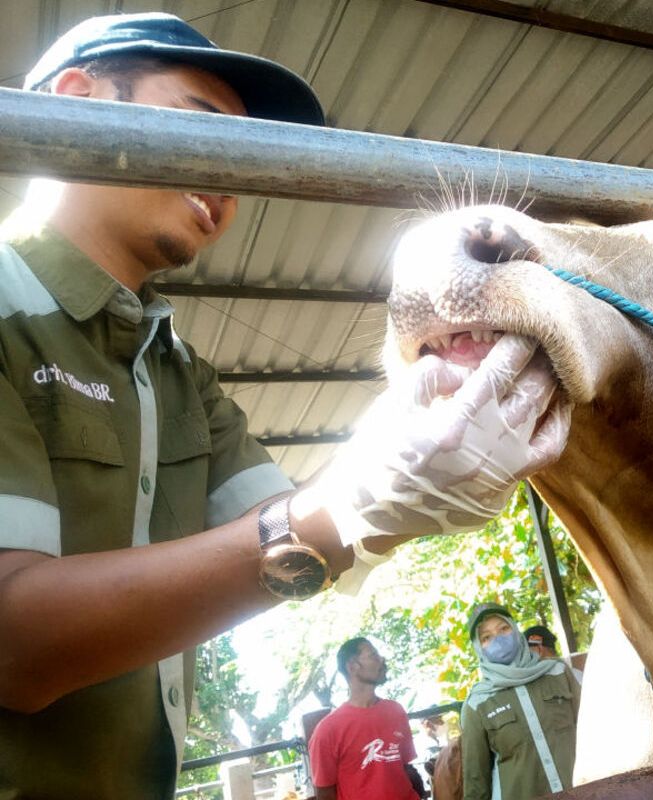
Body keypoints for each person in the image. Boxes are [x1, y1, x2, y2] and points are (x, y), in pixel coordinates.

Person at [0, 13, 569, 799]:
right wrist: (359, 500)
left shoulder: (177, 371)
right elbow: (11, 646)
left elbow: (301, 533)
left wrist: (421, 449)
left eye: (242, 160)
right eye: (206, 130)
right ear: (74, 98)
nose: (227, 184)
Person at [460, 604, 581, 800]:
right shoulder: (478, 703)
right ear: (478, 646)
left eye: (503, 628)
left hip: (583, 794)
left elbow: (593, 732)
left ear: (515, 629)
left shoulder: (557, 672)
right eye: (486, 637)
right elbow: (476, 780)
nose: (498, 639)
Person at [309, 638, 424, 800]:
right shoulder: (327, 730)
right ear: (352, 666)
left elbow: (405, 767)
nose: (382, 659)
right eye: (374, 655)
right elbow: (324, 793)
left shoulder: (395, 711)